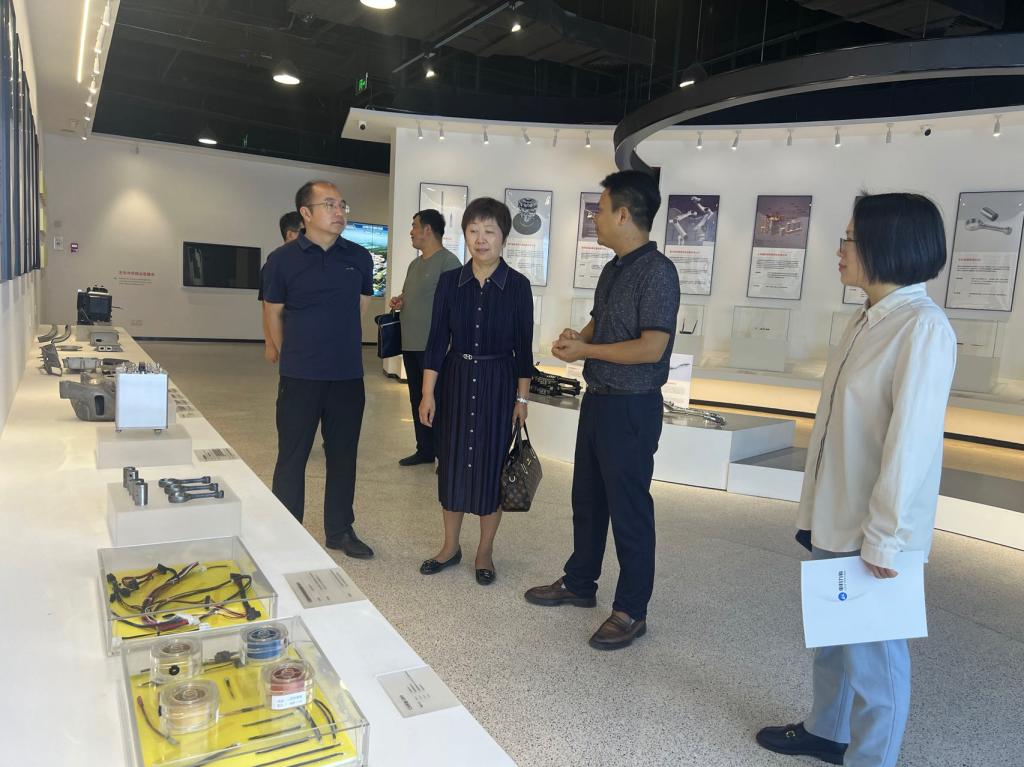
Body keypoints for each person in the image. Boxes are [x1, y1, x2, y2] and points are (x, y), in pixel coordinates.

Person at [756, 193, 955, 767]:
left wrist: (885, 536)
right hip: (836, 513)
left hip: (874, 526)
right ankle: (827, 730)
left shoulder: (921, 328)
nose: (839, 250)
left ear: (886, 245)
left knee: (875, 659)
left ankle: (872, 758)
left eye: (849, 239)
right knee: (834, 636)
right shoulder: (869, 318)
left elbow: (911, 444)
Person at [524, 170, 679, 650]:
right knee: (587, 500)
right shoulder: (614, 268)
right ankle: (579, 583)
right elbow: (601, 321)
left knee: (629, 510)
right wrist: (580, 338)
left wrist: (587, 351)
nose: (595, 217)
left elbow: (652, 347)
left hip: (632, 407)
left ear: (624, 215)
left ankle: (631, 610)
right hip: (598, 400)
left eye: (601, 208)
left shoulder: (658, 272)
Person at [417, 197, 534, 586]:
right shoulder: (450, 282)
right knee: (451, 465)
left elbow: (524, 350)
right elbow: (437, 341)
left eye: (489, 231)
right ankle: (450, 547)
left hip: (499, 384)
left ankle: (484, 551)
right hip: (456, 380)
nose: (480, 239)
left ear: (504, 237)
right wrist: (427, 393)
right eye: (473, 231)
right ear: (464, 234)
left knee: (489, 469)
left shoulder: (518, 286)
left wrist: (522, 399)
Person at [263, 181, 375, 559]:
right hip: (300, 377)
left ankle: (340, 530)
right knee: (292, 456)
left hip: (347, 376)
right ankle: (286, 531)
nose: (339, 211)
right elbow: (273, 313)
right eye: (329, 205)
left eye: (342, 204)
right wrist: (291, 354)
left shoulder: (360, 257)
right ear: (306, 214)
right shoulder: (281, 260)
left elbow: (359, 307)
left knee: (343, 456)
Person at [388, 209, 462, 466]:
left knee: (438, 402)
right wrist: (401, 300)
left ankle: (444, 455)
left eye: (414, 226)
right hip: (410, 344)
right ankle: (425, 450)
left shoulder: (449, 262)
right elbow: (414, 294)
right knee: (417, 399)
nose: (411, 231)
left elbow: (456, 306)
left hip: (435, 348)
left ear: (427, 230)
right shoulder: (414, 264)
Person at [259, 212, 303, 363]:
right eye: (304, 232)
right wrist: (270, 344)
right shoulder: (274, 264)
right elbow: (267, 307)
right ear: (290, 234)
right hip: (288, 337)